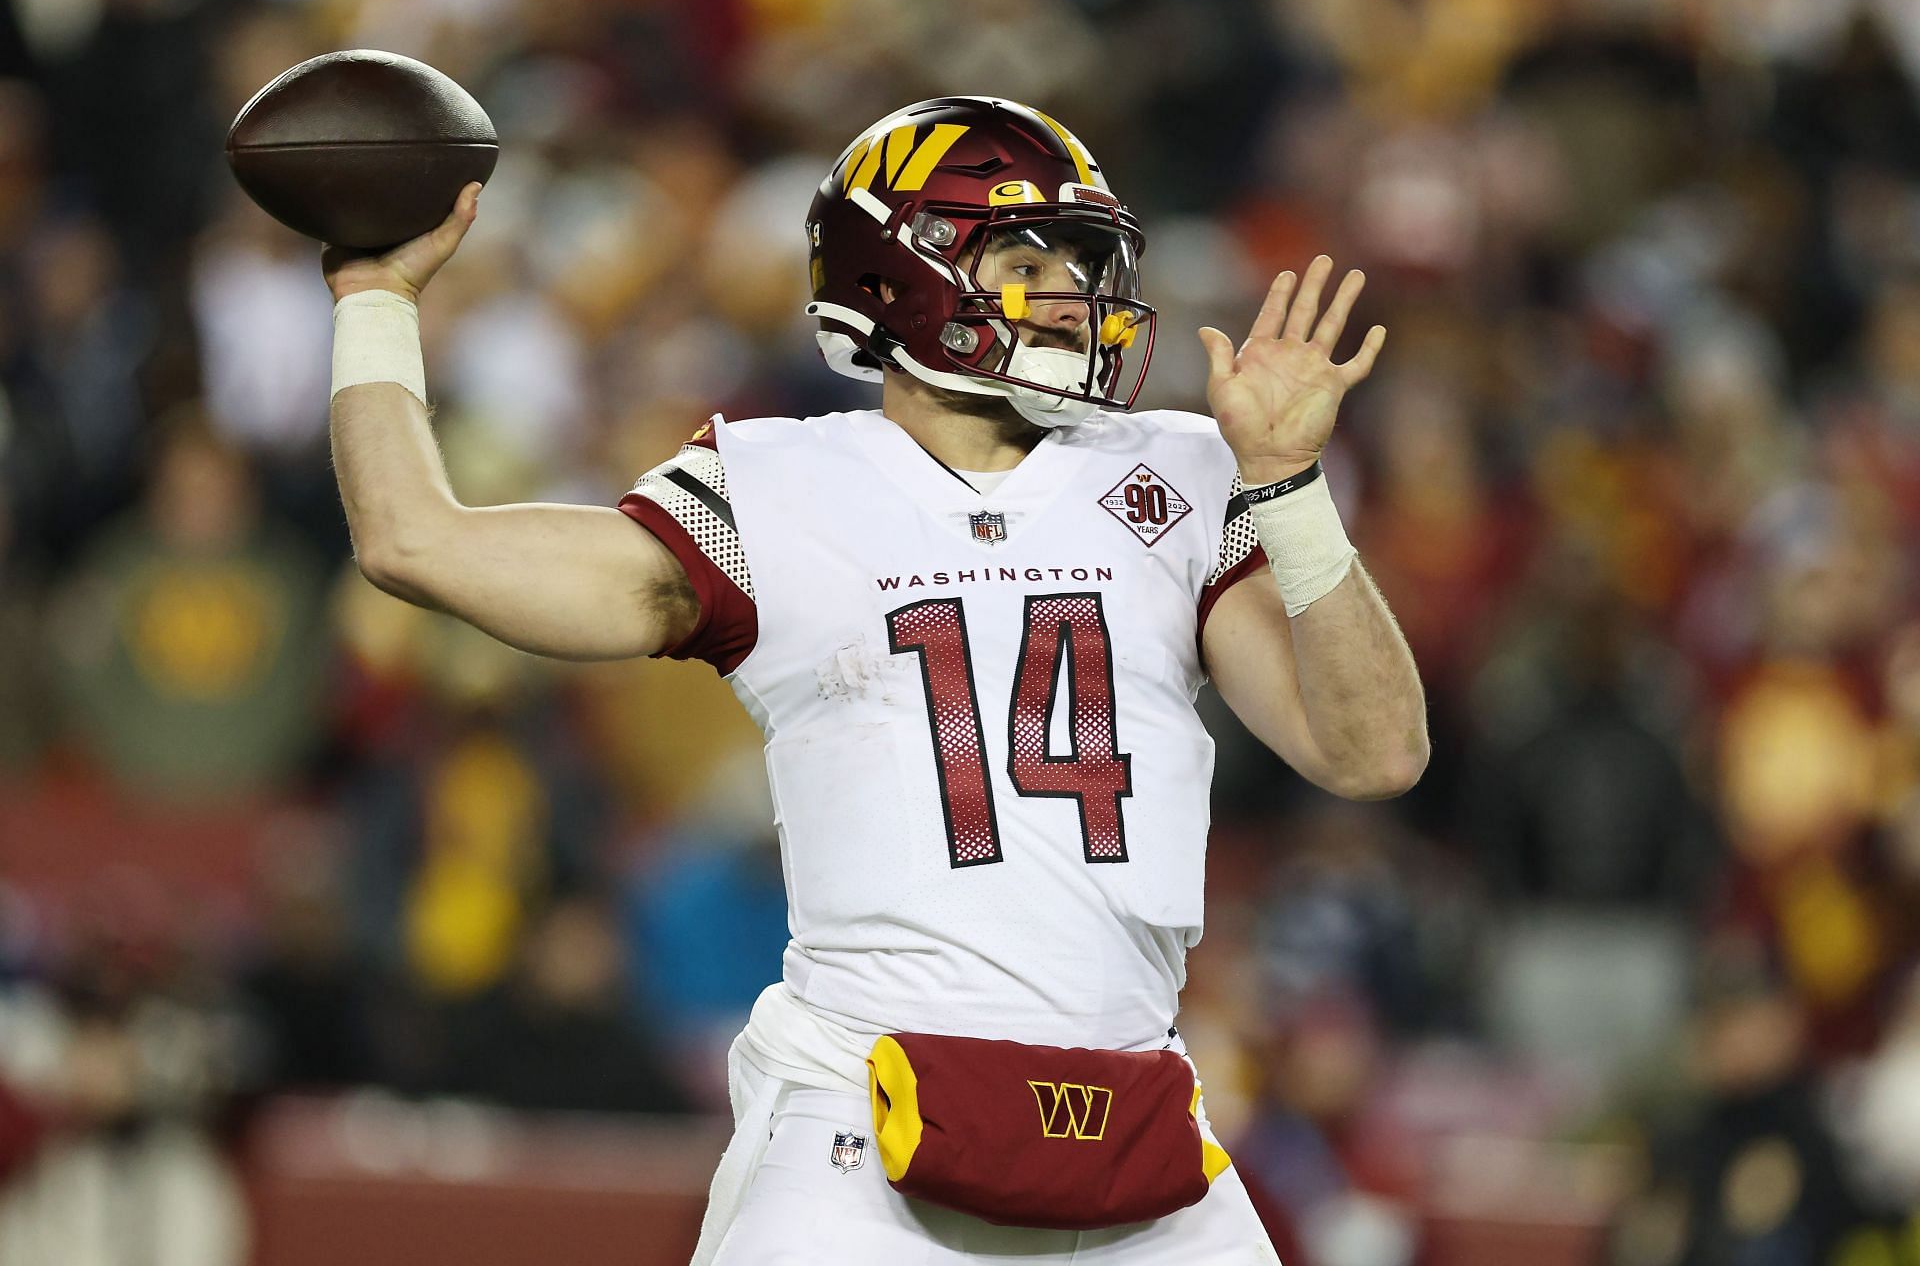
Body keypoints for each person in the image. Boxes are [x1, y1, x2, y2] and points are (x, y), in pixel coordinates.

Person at [321, 96, 1426, 1264]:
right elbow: (413, 541)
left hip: (1135, 1121)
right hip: (863, 1125)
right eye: (1024, 255)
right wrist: (376, 300)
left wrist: (1291, 490)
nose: (1070, 293)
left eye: (1081, 260)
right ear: (907, 272)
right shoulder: (777, 485)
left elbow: (1376, 751)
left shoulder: (1181, 470)